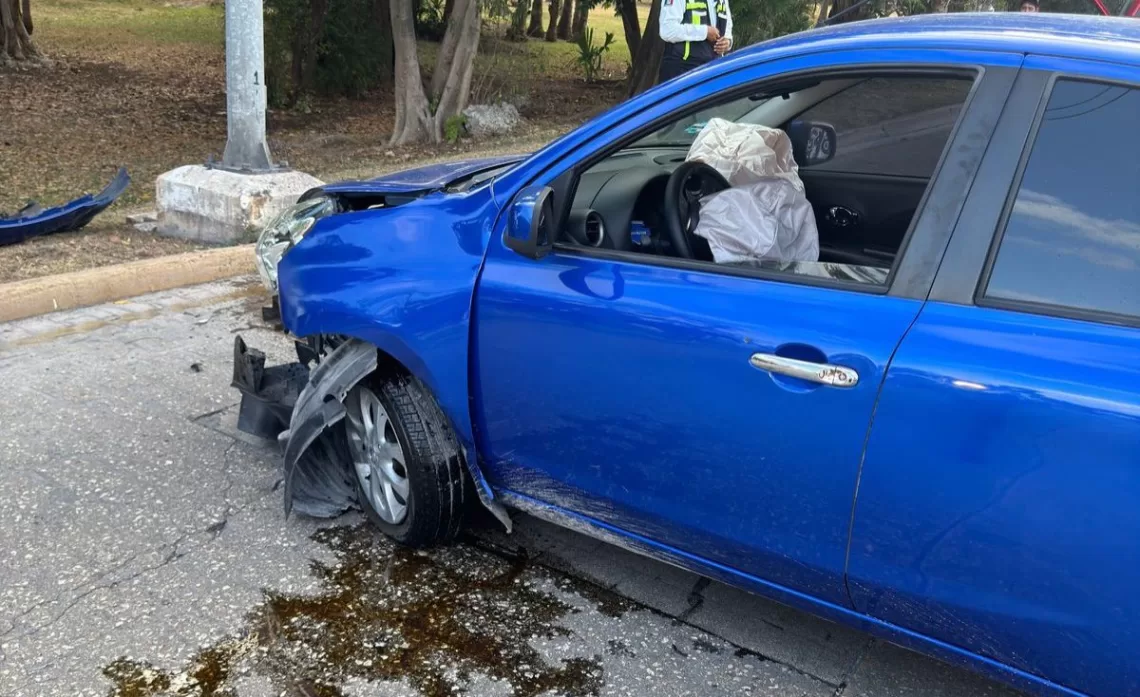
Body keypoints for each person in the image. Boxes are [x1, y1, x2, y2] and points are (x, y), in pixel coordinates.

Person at [658, 0, 733, 83]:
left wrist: (727, 41)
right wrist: (704, 32)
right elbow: (667, 30)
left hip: (712, 68)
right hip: (681, 70)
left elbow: (727, 23)